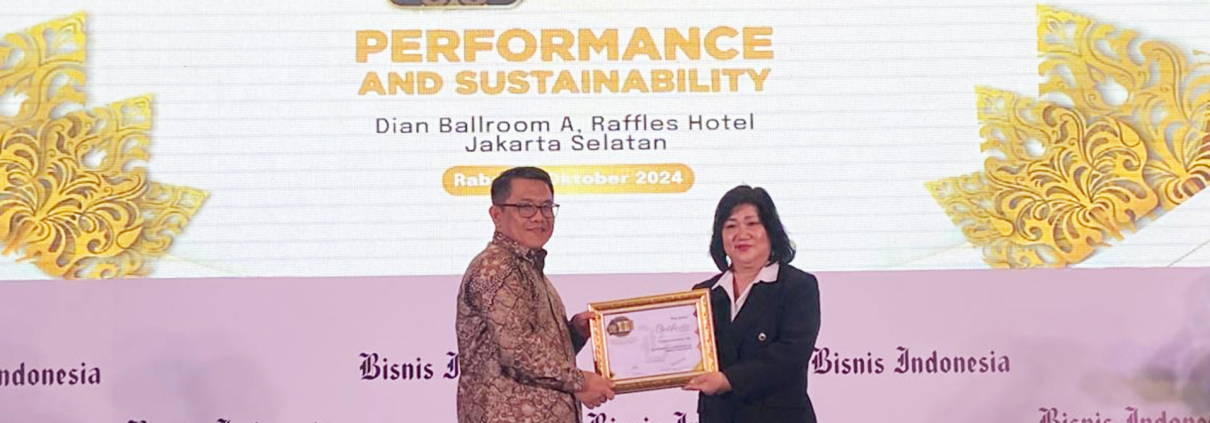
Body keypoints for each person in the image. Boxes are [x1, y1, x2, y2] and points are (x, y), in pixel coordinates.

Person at [455, 166, 615, 423]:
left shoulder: (527, 267)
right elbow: (516, 350)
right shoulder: (497, 268)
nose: (539, 217)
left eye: (546, 207)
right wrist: (581, 381)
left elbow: (530, 350)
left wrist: (574, 332)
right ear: (496, 215)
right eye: (526, 207)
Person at [683, 185, 822, 423]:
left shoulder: (798, 286)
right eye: (730, 226)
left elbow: (791, 354)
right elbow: (687, 352)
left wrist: (728, 380)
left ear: (771, 230)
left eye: (752, 223)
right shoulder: (704, 294)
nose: (741, 234)